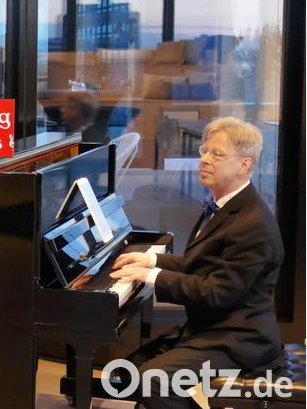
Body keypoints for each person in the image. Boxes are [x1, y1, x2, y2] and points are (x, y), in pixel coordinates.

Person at [111, 117, 284, 409]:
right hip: (211, 328)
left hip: (238, 339)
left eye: (217, 154)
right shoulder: (225, 205)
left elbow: (217, 292)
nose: (204, 159)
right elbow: (200, 264)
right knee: (126, 373)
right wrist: (151, 258)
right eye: (205, 150)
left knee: (152, 379)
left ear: (244, 165)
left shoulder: (252, 224)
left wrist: (152, 275)